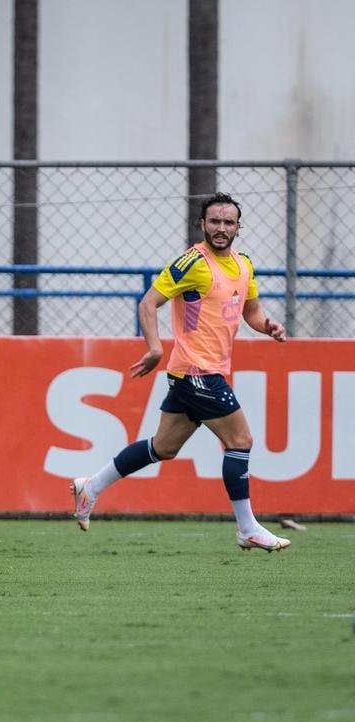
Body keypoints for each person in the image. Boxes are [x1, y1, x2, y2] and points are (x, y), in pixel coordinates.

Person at [71, 192, 291, 552]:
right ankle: (247, 528)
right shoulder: (192, 262)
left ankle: (90, 486)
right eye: (214, 221)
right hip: (196, 371)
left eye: (228, 222)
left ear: (238, 227)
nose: (221, 228)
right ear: (202, 224)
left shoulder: (244, 264)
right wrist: (155, 348)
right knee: (240, 440)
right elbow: (149, 302)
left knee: (164, 447)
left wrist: (268, 326)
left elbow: (251, 310)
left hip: (200, 371)